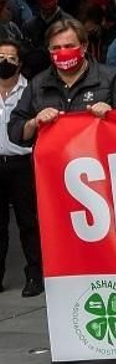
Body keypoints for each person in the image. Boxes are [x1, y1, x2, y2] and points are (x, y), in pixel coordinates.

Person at [7, 18, 116, 148]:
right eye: (56, 48)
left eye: (68, 46)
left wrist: (112, 116)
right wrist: (34, 122)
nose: (63, 52)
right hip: (55, 166)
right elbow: (14, 131)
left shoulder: (111, 79)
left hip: (99, 164)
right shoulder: (38, 84)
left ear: (84, 47)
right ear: (49, 50)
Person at [0, 37, 42, 296]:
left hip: (22, 163)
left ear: (20, 63)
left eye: (10, 58)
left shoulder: (30, 91)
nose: (4, 62)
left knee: (28, 222)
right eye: (0, 57)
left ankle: (34, 275)